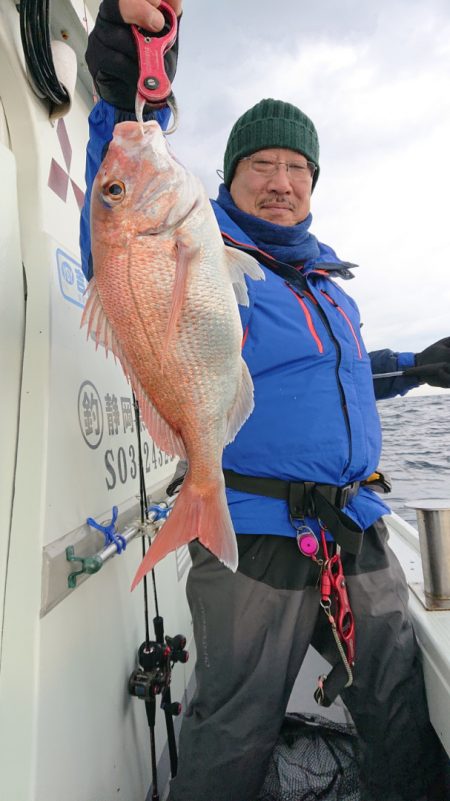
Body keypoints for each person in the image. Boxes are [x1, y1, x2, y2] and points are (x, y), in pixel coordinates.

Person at [81, 2, 450, 799]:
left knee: (397, 708)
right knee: (233, 729)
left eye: (297, 168)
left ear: (313, 182)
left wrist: (417, 366)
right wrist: (119, 92)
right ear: (229, 176)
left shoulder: (326, 280)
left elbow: (329, 376)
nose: (281, 182)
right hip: (252, 532)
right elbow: (116, 242)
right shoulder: (205, 247)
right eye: (262, 165)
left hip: (356, 528)